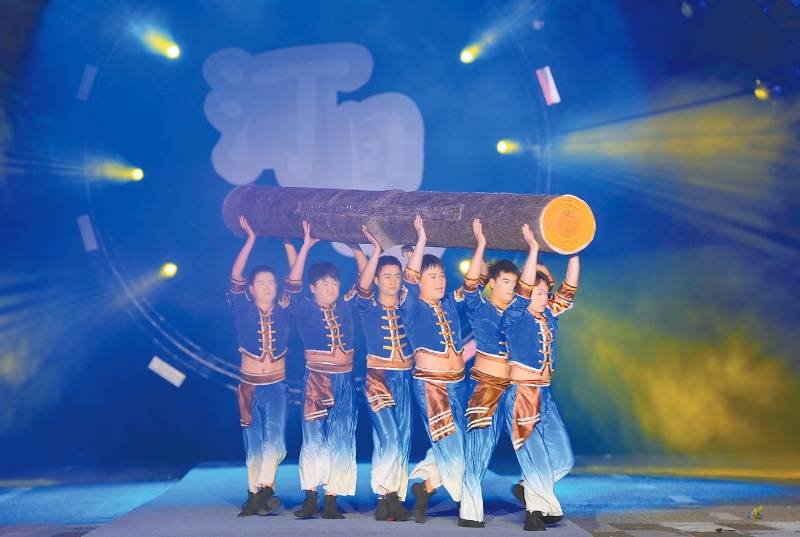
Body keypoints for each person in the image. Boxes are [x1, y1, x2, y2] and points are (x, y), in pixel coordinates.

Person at [286, 221, 366, 520]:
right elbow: (293, 283)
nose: (332, 288)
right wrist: (306, 246)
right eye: (325, 284)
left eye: (334, 283)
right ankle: (310, 497)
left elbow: (364, 283)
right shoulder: (304, 308)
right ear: (313, 288)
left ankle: (332, 499)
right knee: (313, 437)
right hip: (317, 379)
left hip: (344, 380)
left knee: (342, 436)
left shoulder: (346, 306)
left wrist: (357, 248)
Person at [502, 228, 580, 531]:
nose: (545, 297)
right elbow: (523, 291)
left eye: (546, 292)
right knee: (534, 455)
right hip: (522, 395)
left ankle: (527, 488)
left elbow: (569, 288)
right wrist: (533, 248)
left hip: (544, 395)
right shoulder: (515, 315)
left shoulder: (549, 315)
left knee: (562, 459)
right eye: (538, 292)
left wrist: (574, 251)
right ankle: (535, 512)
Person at [227, 216, 295, 517]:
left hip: (276, 385)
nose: (267, 287)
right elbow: (236, 275)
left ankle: (265, 488)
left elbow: (295, 279)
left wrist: (290, 243)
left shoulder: (284, 308)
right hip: (249, 385)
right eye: (261, 283)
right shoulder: (242, 306)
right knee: (253, 441)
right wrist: (251, 240)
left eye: (271, 282)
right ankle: (256, 494)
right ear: (252, 289)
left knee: (276, 439)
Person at [355, 225, 413, 521]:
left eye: (397, 276)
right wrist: (375, 250)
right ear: (377, 279)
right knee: (389, 436)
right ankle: (385, 495)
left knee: (402, 438)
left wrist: (412, 253)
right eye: (386, 276)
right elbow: (362, 287)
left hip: (405, 377)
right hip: (377, 378)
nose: (393, 281)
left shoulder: (408, 306)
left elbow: (416, 281)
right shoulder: (368, 307)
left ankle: (394, 497)